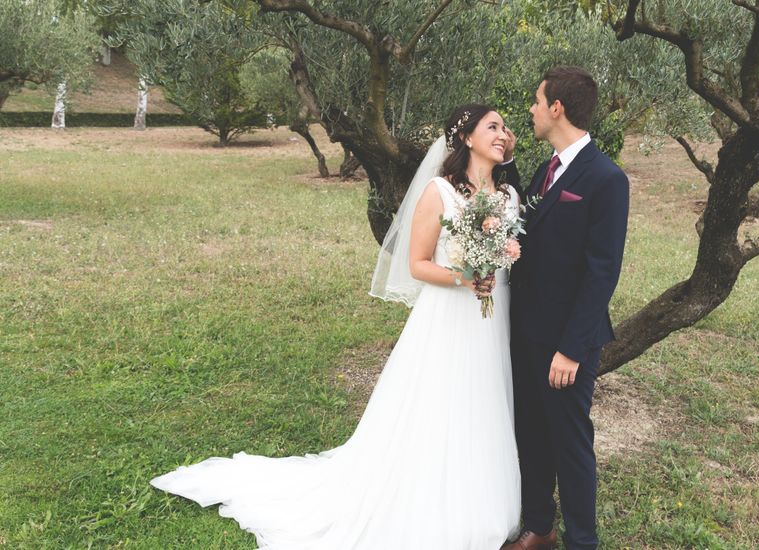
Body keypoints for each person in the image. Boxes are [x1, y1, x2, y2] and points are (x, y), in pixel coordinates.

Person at [151, 104, 523, 549]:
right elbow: (419, 265)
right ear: (465, 137)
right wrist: (465, 276)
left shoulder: (508, 197)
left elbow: (508, 249)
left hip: (491, 318)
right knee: (442, 405)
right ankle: (431, 500)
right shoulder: (439, 192)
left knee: (483, 400)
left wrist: (493, 264)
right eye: (493, 127)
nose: (504, 134)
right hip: (448, 317)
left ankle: (481, 500)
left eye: (506, 128)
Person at [501, 67, 630, 550]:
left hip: (567, 342)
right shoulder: (547, 167)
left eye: (537, 101)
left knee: (570, 444)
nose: (531, 110)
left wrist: (572, 350)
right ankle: (540, 526)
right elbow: (531, 220)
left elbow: (603, 272)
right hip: (527, 329)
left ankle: (583, 541)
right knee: (530, 432)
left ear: (557, 108)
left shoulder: (606, 178)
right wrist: (510, 165)